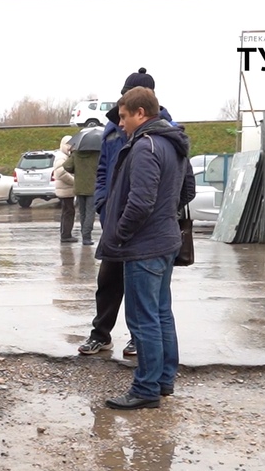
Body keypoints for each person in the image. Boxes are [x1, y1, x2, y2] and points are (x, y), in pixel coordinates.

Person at [97, 87, 195, 409]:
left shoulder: (144, 146)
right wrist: (165, 214)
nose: (120, 124)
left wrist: (121, 233)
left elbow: (140, 202)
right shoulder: (172, 143)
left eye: (124, 117)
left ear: (141, 113)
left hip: (144, 246)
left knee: (142, 319)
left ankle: (146, 388)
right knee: (161, 313)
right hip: (165, 240)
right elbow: (187, 191)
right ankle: (164, 380)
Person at [79, 68, 177, 358]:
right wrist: (102, 203)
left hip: (143, 229)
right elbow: (102, 170)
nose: (121, 120)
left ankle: (141, 347)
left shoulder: (163, 132)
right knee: (108, 282)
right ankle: (101, 334)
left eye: (126, 110)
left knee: (145, 297)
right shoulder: (112, 129)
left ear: (143, 107)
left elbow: (176, 186)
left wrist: (156, 214)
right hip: (114, 219)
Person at [64, 126, 103, 245]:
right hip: (92, 187)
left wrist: (76, 171)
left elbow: (67, 166)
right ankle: (86, 237)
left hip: (79, 187)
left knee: (82, 213)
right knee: (90, 213)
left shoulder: (76, 153)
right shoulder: (97, 154)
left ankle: (83, 234)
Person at [53, 135, 77, 243]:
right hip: (65, 189)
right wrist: (74, 182)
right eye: (69, 145)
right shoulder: (61, 157)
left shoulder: (63, 156)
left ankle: (65, 234)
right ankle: (66, 235)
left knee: (67, 211)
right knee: (69, 211)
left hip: (65, 189)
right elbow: (61, 173)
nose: (70, 147)